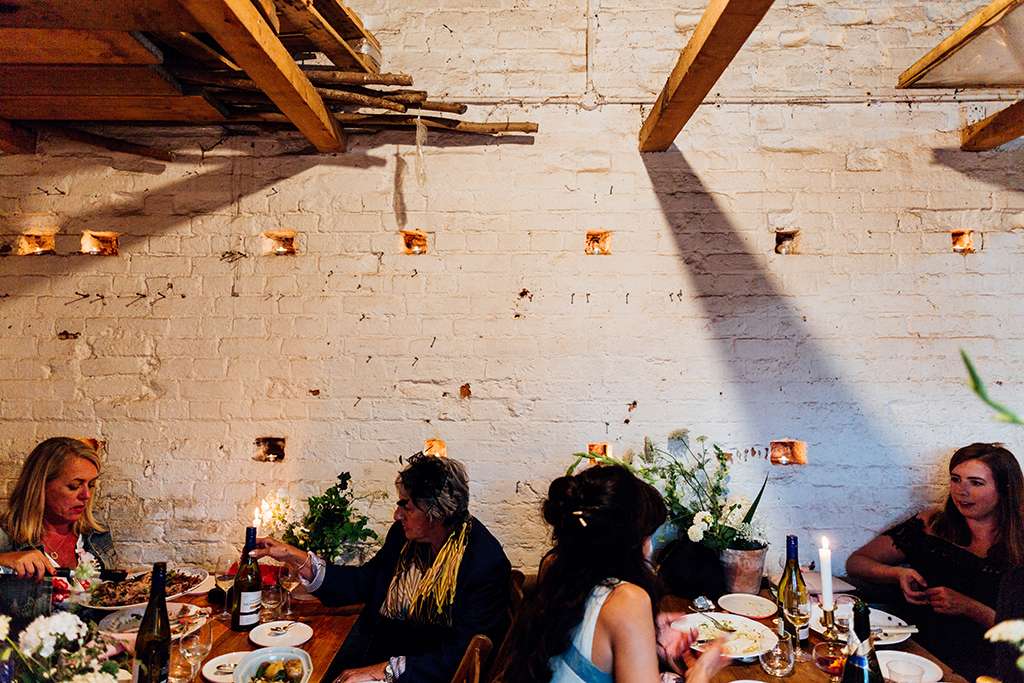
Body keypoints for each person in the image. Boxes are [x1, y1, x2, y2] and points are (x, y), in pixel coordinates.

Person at [253, 453, 511, 683]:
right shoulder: (404, 538)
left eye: (406, 505)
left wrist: (385, 671)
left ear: (436, 512)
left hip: (422, 672)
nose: (397, 515)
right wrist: (294, 556)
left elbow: (461, 655)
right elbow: (363, 582)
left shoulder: (483, 562)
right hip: (379, 646)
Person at [498, 464, 727, 683]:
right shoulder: (628, 600)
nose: (650, 547)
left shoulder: (561, 569)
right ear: (629, 543)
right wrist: (702, 671)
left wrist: (650, 633)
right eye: (649, 536)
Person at [846, 442, 1024, 681]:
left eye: (976, 483)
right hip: (910, 652)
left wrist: (970, 608)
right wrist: (897, 574)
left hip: (981, 666)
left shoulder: (1018, 548)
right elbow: (856, 562)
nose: (961, 491)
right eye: (956, 479)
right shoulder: (932, 524)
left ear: (1004, 489)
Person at [0, 437, 116, 579]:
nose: (86, 495)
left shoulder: (96, 531)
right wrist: (3, 560)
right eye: (74, 486)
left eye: (91, 485)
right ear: (40, 486)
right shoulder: (6, 535)